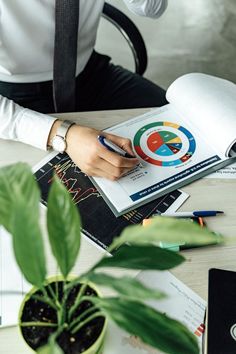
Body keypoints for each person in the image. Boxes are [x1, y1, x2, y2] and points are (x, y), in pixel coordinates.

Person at [0, 0, 168, 180]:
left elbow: (152, 8)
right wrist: (62, 134)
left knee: (182, 126)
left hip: (90, 73)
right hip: (15, 94)